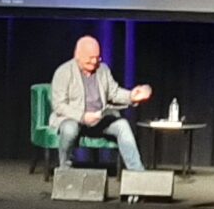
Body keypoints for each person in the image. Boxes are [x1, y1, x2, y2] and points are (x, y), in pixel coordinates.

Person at [50, 35, 152, 171]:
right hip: (73, 118)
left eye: (97, 57)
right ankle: (65, 169)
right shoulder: (63, 72)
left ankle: (137, 173)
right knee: (69, 130)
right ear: (77, 55)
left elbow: (114, 93)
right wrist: (83, 116)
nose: (94, 62)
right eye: (90, 58)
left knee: (122, 125)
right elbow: (59, 105)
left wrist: (132, 96)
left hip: (99, 118)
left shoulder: (102, 70)